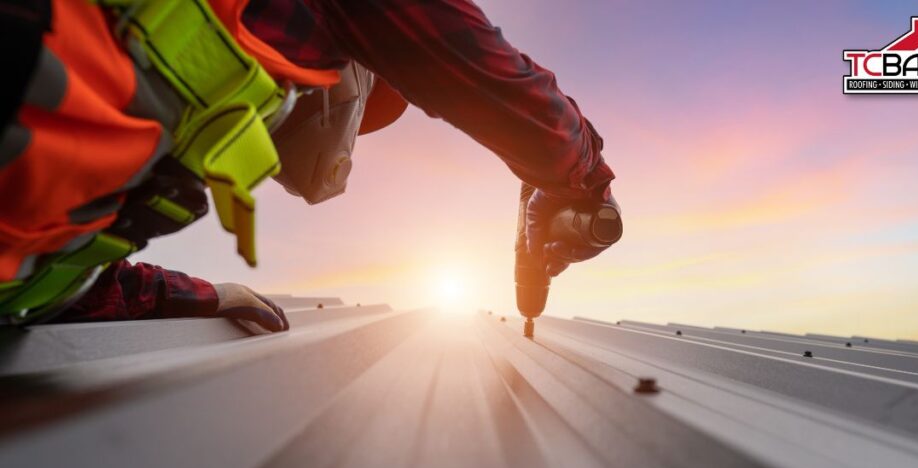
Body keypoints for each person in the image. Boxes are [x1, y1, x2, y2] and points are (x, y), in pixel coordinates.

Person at [0, 0, 618, 331]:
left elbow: (49, 290)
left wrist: (201, 297)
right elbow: (481, 71)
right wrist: (582, 176)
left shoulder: (129, 144)